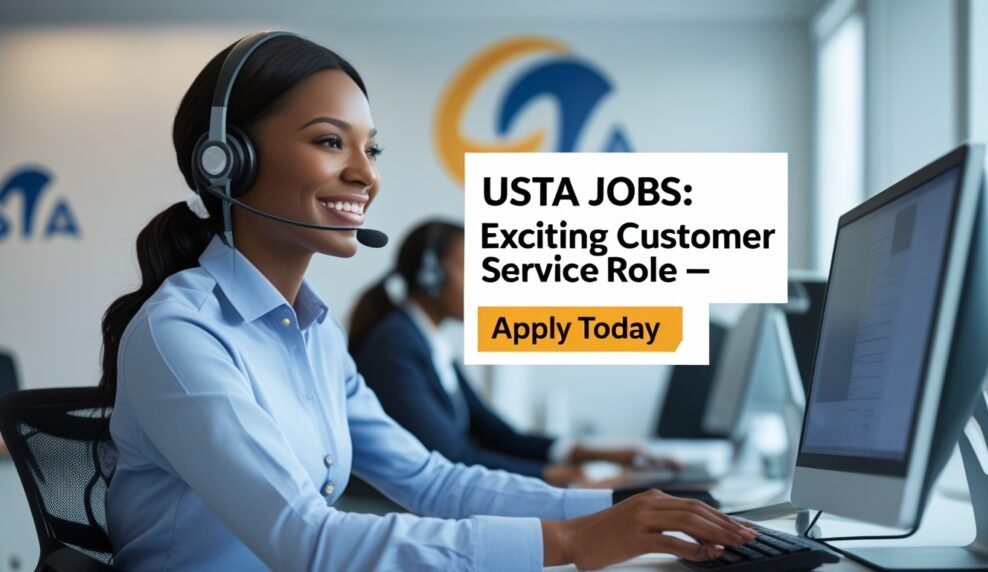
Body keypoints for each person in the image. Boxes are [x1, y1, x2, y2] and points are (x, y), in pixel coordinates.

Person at [99, 32, 755, 571]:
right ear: (227, 160)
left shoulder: (316, 337)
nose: (366, 173)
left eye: (371, 148)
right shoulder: (181, 333)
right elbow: (308, 542)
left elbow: (436, 481)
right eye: (331, 141)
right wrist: (573, 543)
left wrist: (619, 504)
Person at [349, 221, 672, 487]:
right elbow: (452, 455)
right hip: (392, 512)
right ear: (431, 275)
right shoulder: (395, 345)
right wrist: (560, 478)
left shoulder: (429, 341)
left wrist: (593, 454)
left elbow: (498, 434)